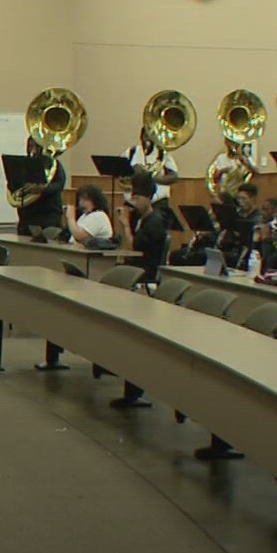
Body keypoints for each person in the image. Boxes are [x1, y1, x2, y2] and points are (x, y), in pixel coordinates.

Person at [111, 172, 167, 411]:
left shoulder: (155, 221)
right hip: (136, 272)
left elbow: (136, 246)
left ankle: (135, 390)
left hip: (146, 276)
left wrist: (125, 224)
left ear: (148, 198)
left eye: (137, 198)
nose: (133, 202)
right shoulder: (142, 218)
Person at [13, 137, 67, 240]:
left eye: (36, 147)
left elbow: (59, 185)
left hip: (49, 217)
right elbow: (15, 184)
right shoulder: (24, 165)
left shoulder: (54, 165)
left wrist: (42, 189)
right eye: (29, 146)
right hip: (28, 218)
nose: (32, 150)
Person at [125, 127, 179, 214]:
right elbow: (120, 174)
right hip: (133, 203)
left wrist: (151, 178)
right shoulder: (131, 152)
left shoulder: (162, 153)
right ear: (141, 136)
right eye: (146, 136)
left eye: (152, 136)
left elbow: (174, 176)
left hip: (157, 204)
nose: (148, 139)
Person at [67, 184, 116, 249]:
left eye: (85, 200)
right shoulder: (85, 215)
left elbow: (79, 235)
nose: (81, 203)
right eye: (80, 200)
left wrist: (70, 217)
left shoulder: (98, 215)